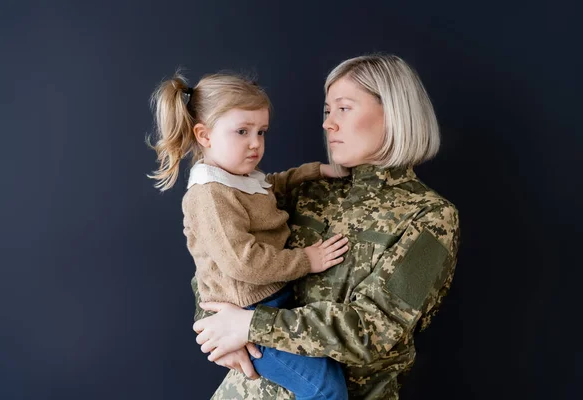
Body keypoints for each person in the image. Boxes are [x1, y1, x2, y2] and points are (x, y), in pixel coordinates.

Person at [191, 54, 460, 399]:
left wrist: (250, 325)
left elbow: (374, 332)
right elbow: (218, 257)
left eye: (344, 109)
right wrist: (214, 329)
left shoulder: (432, 218)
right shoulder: (303, 191)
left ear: (394, 113)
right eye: (326, 111)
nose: (328, 124)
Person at [147, 72, 351, 399]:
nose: (255, 143)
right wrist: (307, 260)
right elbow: (245, 264)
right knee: (325, 387)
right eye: (242, 131)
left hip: (270, 304)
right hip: (246, 315)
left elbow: (269, 186)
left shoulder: (237, 176)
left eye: (261, 132)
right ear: (205, 135)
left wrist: (314, 171)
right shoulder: (210, 194)